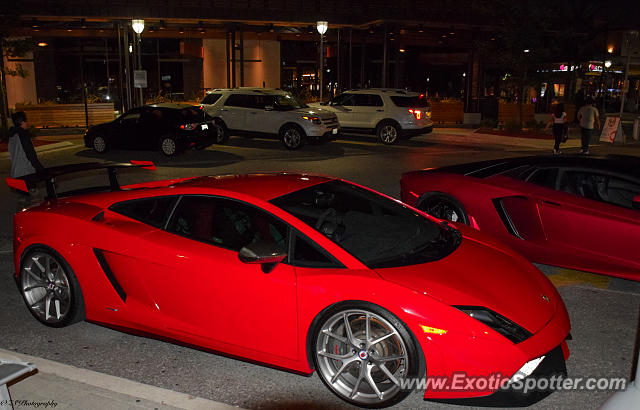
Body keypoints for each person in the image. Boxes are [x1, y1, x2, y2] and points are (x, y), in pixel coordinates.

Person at [8, 111, 44, 208]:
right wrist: (41, 170)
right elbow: (30, 154)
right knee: (36, 199)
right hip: (27, 172)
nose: (27, 123)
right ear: (22, 122)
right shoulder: (23, 135)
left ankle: (22, 218)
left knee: (22, 200)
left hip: (16, 172)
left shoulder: (12, 136)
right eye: (26, 121)